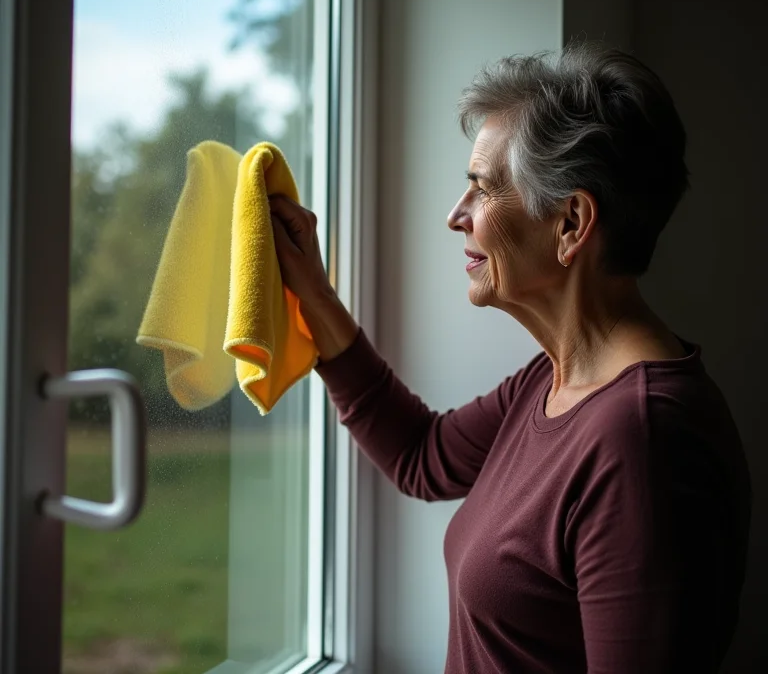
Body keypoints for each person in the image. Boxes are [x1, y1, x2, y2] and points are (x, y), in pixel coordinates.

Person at [268, 42, 752, 674]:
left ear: (572, 222)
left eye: (482, 189)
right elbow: (422, 454)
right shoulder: (557, 378)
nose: (456, 216)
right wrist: (314, 295)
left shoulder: (641, 439)